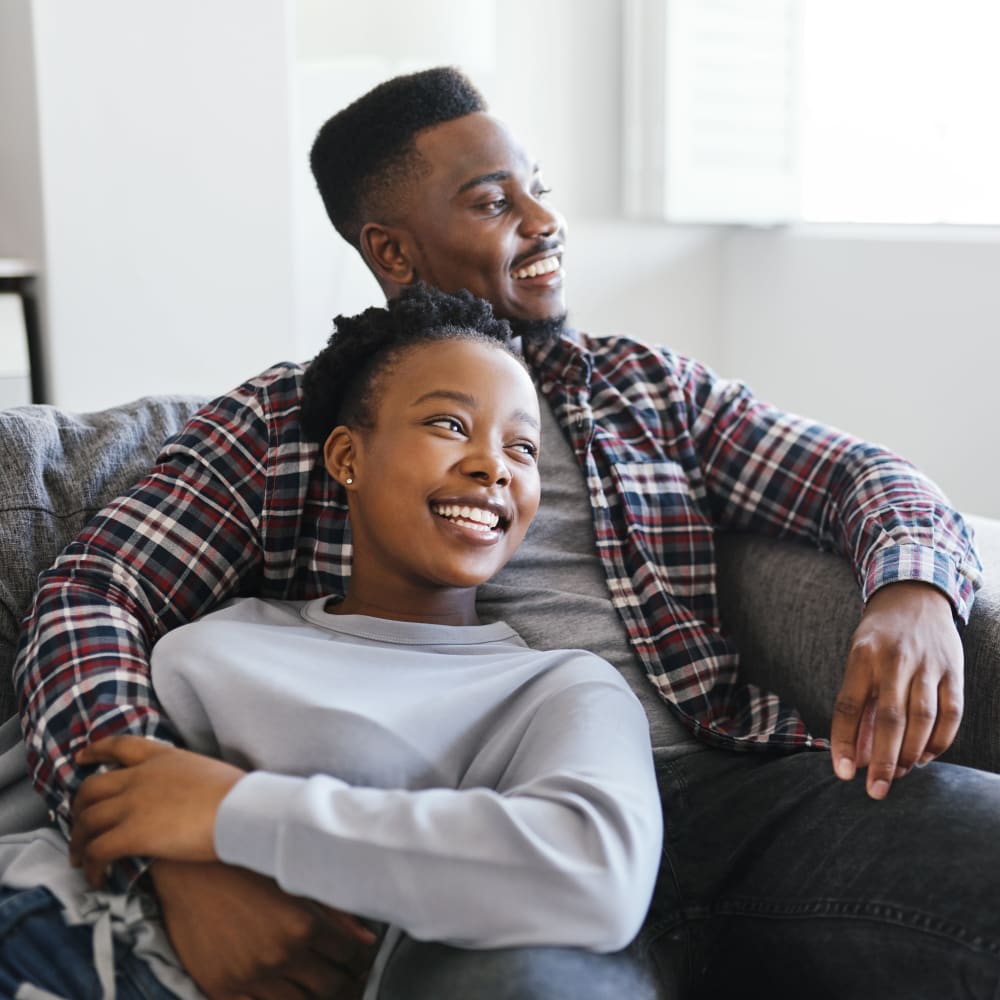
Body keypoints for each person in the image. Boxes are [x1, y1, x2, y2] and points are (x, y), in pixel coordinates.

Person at [9, 65, 1000, 998]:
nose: (544, 222)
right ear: (392, 250)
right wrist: (165, 857)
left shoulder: (643, 387)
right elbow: (93, 595)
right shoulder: (297, 421)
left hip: (721, 792)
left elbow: (859, 474)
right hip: (473, 827)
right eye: (494, 202)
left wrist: (911, 588)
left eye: (539, 189)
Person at [0, 285, 664, 999]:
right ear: (348, 456)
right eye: (448, 423)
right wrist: (180, 873)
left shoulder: (561, 689)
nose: (492, 465)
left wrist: (230, 812)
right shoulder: (217, 630)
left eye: (522, 447)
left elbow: (596, 876)